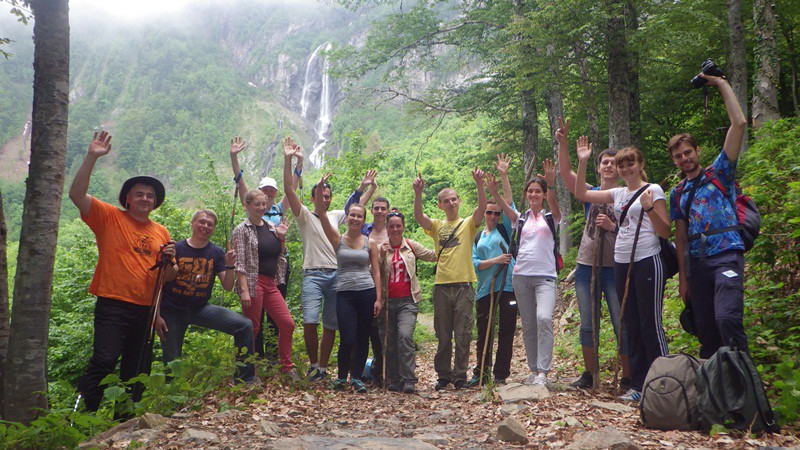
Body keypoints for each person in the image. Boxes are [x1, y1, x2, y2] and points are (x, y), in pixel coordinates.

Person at [69, 131, 177, 412]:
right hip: (113, 304)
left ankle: (124, 422)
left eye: (150, 195)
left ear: (155, 201)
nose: (145, 198)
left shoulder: (161, 231)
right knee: (104, 361)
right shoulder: (109, 217)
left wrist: (171, 266)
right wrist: (92, 156)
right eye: (139, 194)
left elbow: (166, 277)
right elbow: (76, 195)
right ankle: (82, 418)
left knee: (137, 368)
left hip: (145, 310)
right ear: (127, 198)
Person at [575, 144, 671, 403]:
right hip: (621, 262)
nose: (626, 169)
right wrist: (583, 161)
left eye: (631, 164)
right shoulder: (617, 193)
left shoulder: (653, 190)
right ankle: (638, 385)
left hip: (647, 259)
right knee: (630, 324)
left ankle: (663, 383)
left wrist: (649, 208)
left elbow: (665, 231)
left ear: (641, 164)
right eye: (622, 165)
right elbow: (581, 192)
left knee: (650, 324)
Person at [667, 73, 749, 358]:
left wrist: (721, 83)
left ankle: (743, 377)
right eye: (678, 156)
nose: (684, 159)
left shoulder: (720, 173)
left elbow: (739, 124)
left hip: (727, 255)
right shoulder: (678, 192)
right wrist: (683, 279)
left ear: (697, 151)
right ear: (674, 161)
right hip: (697, 265)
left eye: (688, 152)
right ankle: (715, 382)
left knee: (727, 318)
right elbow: (680, 237)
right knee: (706, 329)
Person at [281, 137, 376, 381]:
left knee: (331, 324)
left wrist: (365, 187)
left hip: (337, 275)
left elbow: (358, 209)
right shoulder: (304, 215)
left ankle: (323, 369)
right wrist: (289, 160)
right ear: (312, 198)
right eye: (321, 195)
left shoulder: (335, 215)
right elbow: (289, 190)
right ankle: (313, 365)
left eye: (327, 196)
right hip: (313, 274)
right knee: (310, 321)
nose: (325, 199)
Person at [556, 118, 631, 391]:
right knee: (587, 323)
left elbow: (636, 230)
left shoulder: (627, 195)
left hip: (616, 266)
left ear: (620, 168)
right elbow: (566, 174)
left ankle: (628, 377)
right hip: (587, 265)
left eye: (613, 162)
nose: (609, 166)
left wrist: (613, 226)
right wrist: (566, 145)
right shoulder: (590, 192)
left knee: (620, 321)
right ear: (598, 168)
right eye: (605, 162)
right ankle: (589, 374)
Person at [155, 210, 256, 384]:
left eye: (210, 224)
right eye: (201, 222)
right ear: (192, 224)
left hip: (200, 309)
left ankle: (244, 380)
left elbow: (228, 286)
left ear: (214, 229)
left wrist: (230, 266)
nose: (205, 226)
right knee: (172, 363)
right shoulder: (177, 249)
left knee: (244, 325)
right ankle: (173, 396)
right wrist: (157, 316)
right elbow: (159, 285)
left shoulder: (216, 252)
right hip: (171, 312)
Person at [414, 167, 486, 390]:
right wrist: (418, 193)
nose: (451, 203)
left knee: (463, 334)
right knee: (443, 335)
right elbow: (419, 217)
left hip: (464, 285)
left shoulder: (468, 224)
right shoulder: (437, 226)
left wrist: (480, 184)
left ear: (459, 201)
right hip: (442, 286)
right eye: (446, 201)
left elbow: (482, 209)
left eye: (454, 199)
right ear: (440, 205)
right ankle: (443, 375)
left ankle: (460, 375)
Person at [230, 137, 301, 362]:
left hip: (275, 271)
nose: (267, 196)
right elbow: (240, 180)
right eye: (264, 191)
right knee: (254, 323)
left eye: (271, 191)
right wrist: (234, 157)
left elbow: (292, 187)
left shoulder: (277, 212)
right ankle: (249, 366)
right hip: (254, 276)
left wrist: (297, 164)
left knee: (281, 322)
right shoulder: (246, 223)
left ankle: (276, 361)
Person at [491, 160, 562, 387]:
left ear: (543, 195)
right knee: (529, 324)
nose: (533, 194)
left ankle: (543, 371)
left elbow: (554, 203)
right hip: (521, 276)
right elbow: (505, 207)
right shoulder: (520, 219)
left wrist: (551, 183)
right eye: (530, 191)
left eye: (538, 191)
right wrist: (496, 189)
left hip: (546, 276)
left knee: (544, 319)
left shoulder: (551, 217)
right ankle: (533, 370)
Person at [314, 174, 383, 393]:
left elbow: (376, 271)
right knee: (347, 337)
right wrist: (320, 188)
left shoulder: (370, 242)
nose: (354, 219)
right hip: (344, 293)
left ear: (363, 220)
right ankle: (341, 377)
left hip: (366, 292)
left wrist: (379, 298)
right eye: (352, 215)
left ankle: (357, 377)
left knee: (362, 336)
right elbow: (321, 214)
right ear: (348, 217)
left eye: (359, 216)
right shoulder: (338, 239)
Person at [231, 189, 297, 379]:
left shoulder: (271, 227)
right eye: (256, 204)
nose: (261, 207)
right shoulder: (241, 230)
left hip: (271, 283)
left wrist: (282, 238)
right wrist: (244, 290)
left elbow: (281, 254)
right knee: (252, 328)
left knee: (287, 324)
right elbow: (239, 262)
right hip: (253, 282)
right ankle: (246, 372)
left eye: (263, 204)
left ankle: (286, 367)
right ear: (247, 206)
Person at [469, 154, 518, 387]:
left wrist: (503, 176)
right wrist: (496, 260)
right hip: (485, 288)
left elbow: (508, 201)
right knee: (484, 331)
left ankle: (500, 374)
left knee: (506, 331)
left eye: (497, 213)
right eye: (489, 212)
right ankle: (481, 372)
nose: (493, 216)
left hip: (507, 287)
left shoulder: (505, 227)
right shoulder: (478, 235)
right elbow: (475, 263)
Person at [378, 211, 437, 393]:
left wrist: (444, 242)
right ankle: (394, 379)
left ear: (403, 227)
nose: (395, 229)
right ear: (387, 228)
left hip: (408, 301)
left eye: (398, 226)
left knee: (404, 336)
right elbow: (372, 271)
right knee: (389, 342)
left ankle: (408, 379)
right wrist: (380, 257)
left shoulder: (411, 246)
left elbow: (433, 255)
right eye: (391, 226)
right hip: (387, 302)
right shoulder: (381, 248)